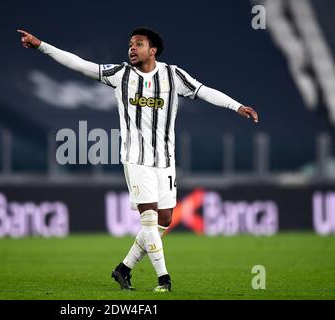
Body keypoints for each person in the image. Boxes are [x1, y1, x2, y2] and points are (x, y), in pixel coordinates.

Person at [17, 27, 259, 292]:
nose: (132, 48)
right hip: (136, 159)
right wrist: (41, 45)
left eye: (138, 44)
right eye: (130, 44)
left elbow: (203, 91)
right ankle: (164, 279)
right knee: (149, 220)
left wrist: (236, 106)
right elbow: (80, 65)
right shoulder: (120, 75)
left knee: (164, 220)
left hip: (165, 160)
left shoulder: (172, 75)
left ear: (152, 50)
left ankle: (123, 269)